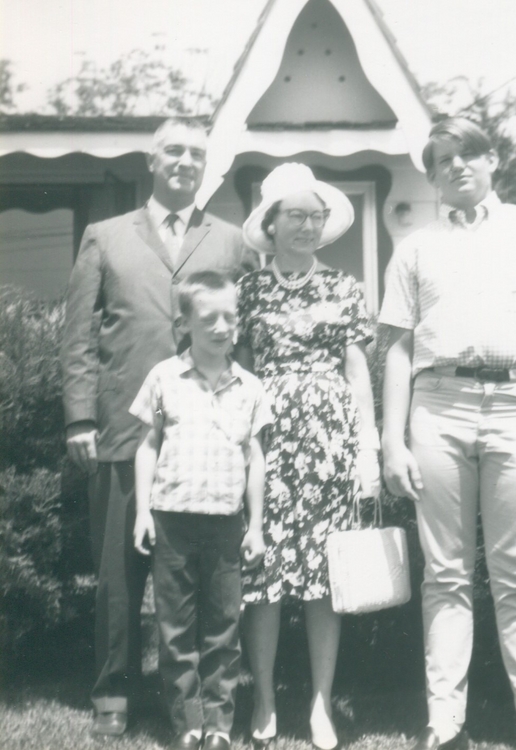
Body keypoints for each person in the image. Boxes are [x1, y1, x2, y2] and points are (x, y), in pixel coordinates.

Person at [61, 118, 257, 737]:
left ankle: (198, 704)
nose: (184, 162)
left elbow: (246, 339)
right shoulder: (105, 236)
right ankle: (115, 693)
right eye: (173, 150)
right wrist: (81, 416)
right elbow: (77, 336)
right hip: (125, 428)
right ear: (151, 160)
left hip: (211, 439)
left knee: (206, 587)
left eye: (196, 154)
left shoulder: (229, 241)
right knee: (119, 574)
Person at [380, 117, 516, 750]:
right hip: (439, 408)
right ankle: (443, 722)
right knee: (444, 574)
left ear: (492, 158)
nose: (457, 166)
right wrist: (391, 441)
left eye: (467, 153)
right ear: (432, 177)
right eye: (442, 160)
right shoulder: (416, 247)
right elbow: (395, 348)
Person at [236, 163, 381, 750]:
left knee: (327, 576)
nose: (305, 226)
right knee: (264, 575)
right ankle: (266, 697)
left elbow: (357, 373)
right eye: (294, 215)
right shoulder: (248, 290)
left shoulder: (345, 288)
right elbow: (239, 371)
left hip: (330, 441)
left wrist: (367, 450)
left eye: (314, 217)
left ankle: (321, 702)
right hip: (266, 441)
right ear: (270, 223)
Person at [129, 271, 272, 750]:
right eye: (208, 318)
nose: (220, 326)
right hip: (171, 520)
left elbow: (256, 460)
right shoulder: (164, 378)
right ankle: (186, 723)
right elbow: (148, 447)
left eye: (230, 316)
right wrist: (143, 513)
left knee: (223, 629)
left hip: (226, 525)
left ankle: (219, 727)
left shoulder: (250, 387)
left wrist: (256, 526)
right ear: (183, 324)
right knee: (174, 630)